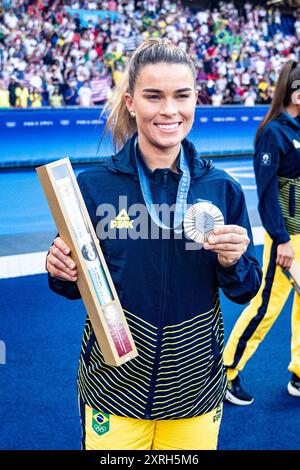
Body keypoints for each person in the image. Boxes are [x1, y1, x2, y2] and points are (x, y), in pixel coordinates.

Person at [46, 38, 261, 450]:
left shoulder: (222, 188)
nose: (169, 110)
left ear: (196, 99)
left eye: (181, 96)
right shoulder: (92, 187)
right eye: (153, 96)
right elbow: (72, 286)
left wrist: (234, 262)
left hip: (195, 392)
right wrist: (59, 268)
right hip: (113, 390)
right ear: (130, 102)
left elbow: (245, 288)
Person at [224, 60, 300, 406]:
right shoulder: (274, 132)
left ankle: (299, 374)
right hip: (286, 238)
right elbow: (268, 192)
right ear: (295, 93)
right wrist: (281, 238)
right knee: (266, 306)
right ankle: (226, 372)